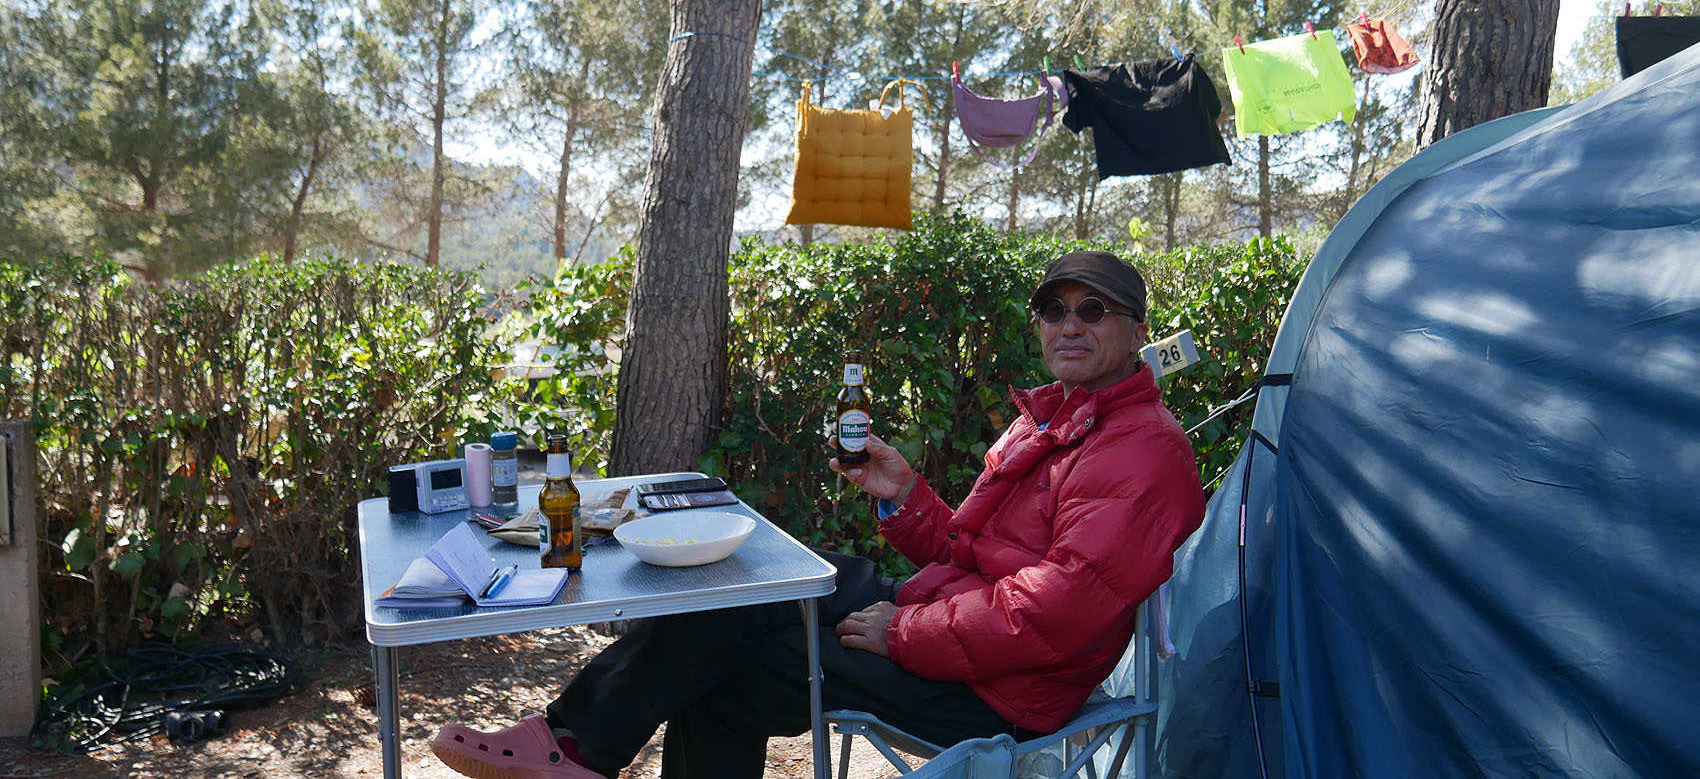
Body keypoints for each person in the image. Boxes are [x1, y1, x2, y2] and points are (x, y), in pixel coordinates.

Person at [431, 249, 1207, 779]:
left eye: (1093, 309)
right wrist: (903, 494)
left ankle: (572, 745)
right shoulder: (1052, 418)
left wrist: (904, 633)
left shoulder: (1142, 450)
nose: (1069, 323)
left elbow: (1052, 615)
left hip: (1007, 687)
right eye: (1053, 307)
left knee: (736, 667)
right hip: (957, 621)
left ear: (1137, 329)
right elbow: (971, 552)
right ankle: (571, 743)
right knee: (749, 583)